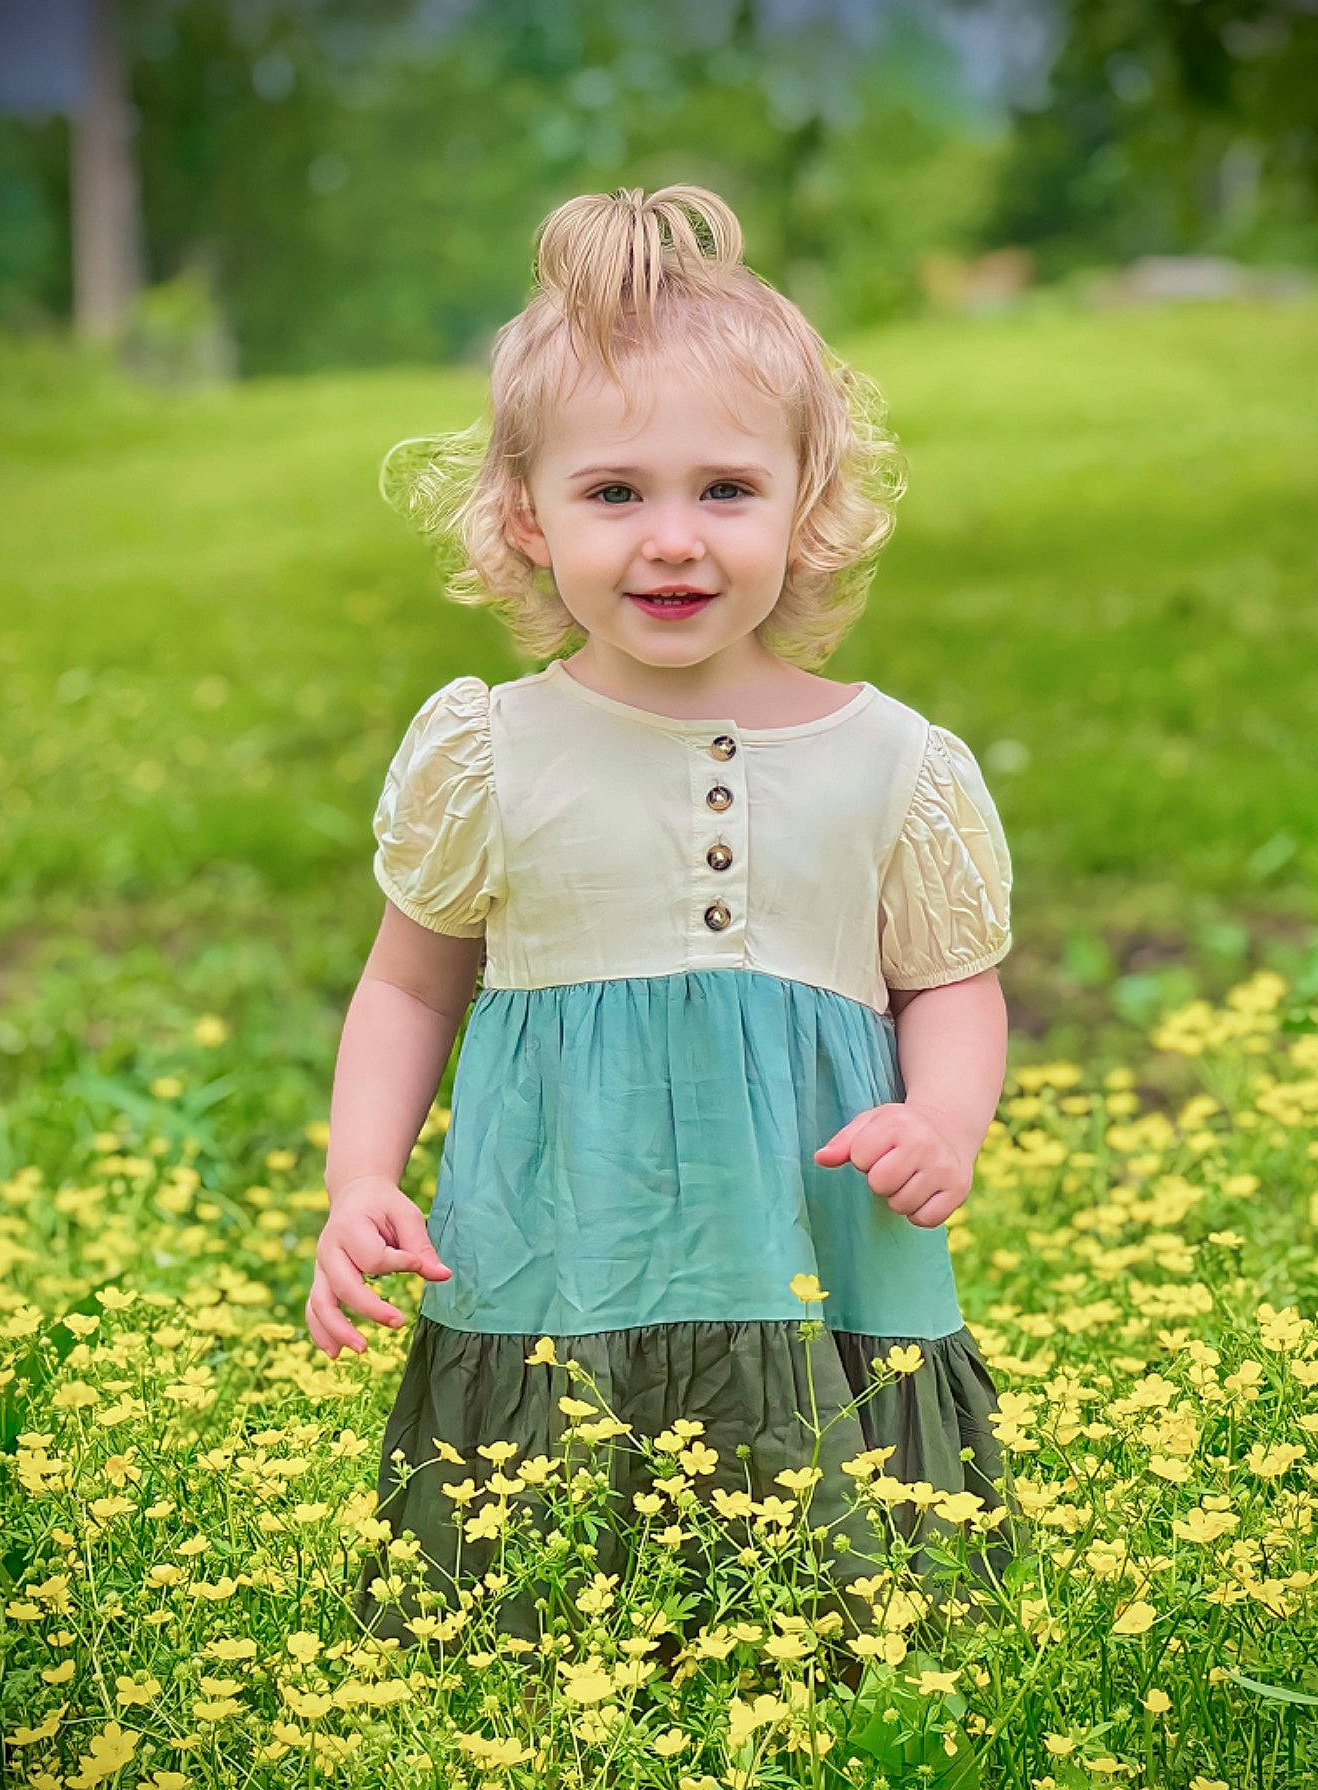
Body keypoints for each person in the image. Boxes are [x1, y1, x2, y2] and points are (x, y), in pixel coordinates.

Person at [307, 184, 1019, 1652]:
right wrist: (357, 1179)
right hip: (562, 1236)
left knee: (843, 1619)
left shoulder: (893, 761)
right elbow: (408, 987)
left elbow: (948, 981)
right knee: (536, 1608)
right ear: (526, 514)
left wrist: (941, 1121)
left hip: (812, 1241)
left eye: (726, 492)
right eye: (615, 493)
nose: (672, 541)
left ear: (806, 509)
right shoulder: (489, 749)